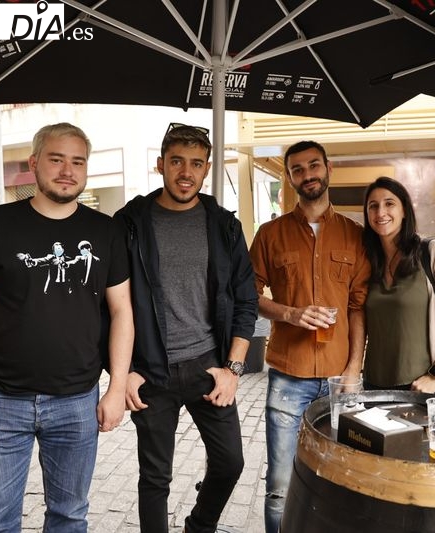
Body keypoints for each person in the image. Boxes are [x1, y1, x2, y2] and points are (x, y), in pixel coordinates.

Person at [0, 123, 133, 532]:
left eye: (78, 161)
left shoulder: (106, 231)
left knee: (70, 517)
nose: (67, 170)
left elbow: (122, 311)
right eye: (56, 159)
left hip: (77, 402)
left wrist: (117, 388)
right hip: (1, 401)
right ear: (34, 164)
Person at [115, 123, 258, 533]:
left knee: (231, 462)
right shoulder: (129, 223)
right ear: (160, 164)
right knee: (155, 478)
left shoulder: (224, 225)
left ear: (207, 168)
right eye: (176, 161)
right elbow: (110, 305)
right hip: (151, 373)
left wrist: (232, 370)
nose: (185, 172)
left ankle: (200, 526)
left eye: (196, 163)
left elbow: (246, 300)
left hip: (206, 368)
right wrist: (122, 372)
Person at [248, 140, 370, 533]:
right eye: (298, 169)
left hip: (340, 379)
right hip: (288, 375)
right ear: (290, 178)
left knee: (341, 480)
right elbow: (248, 296)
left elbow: (357, 307)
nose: (307, 175)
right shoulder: (270, 234)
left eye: (313, 165)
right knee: (280, 486)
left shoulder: (355, 235)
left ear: (328, 168)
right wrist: (290, 314)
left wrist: (353, 369)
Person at [361, 176, 435, 395]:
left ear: (405, 210)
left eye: (389, 203)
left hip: (424, 386)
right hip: (375, 384)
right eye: (373, 206)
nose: (380, 212)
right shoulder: (367, 261)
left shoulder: (432, 252)